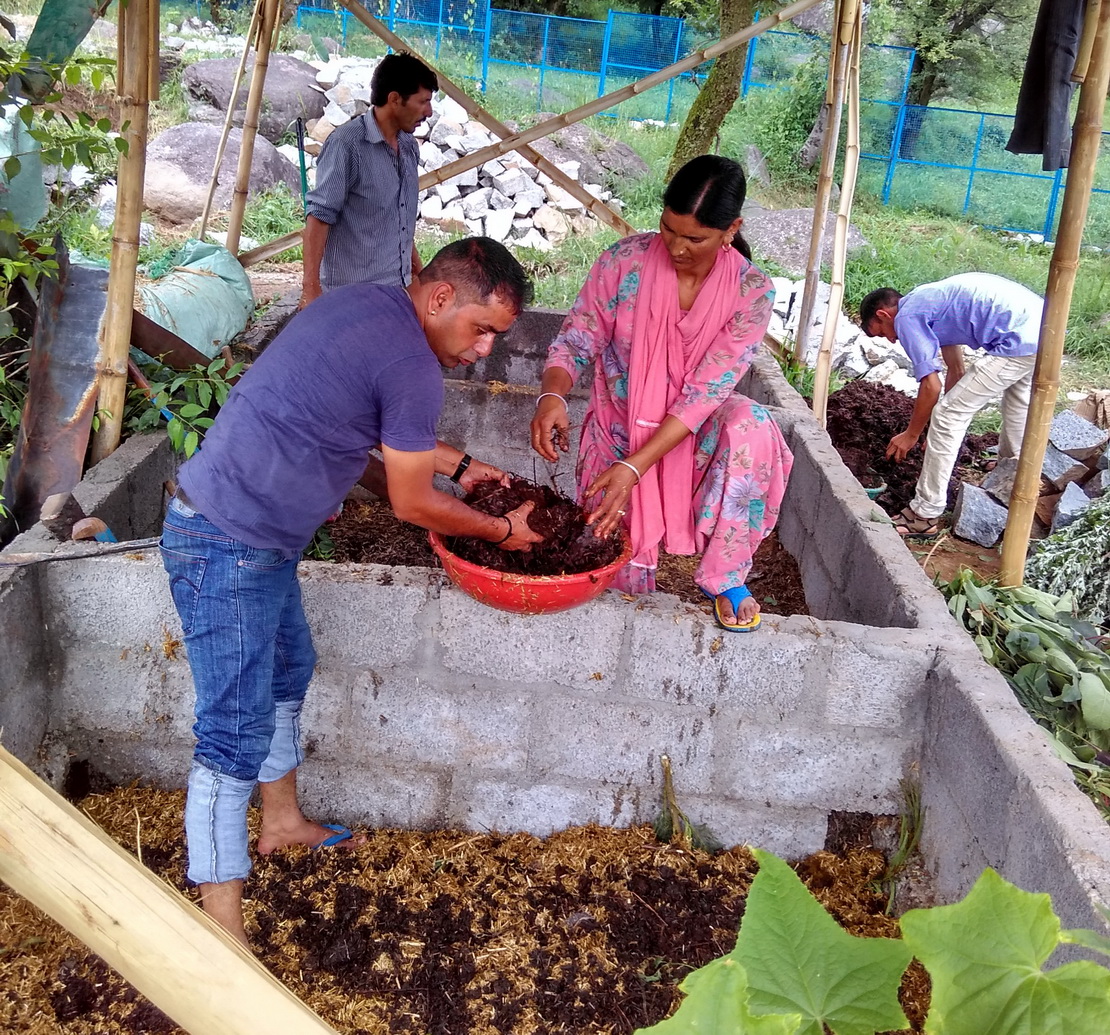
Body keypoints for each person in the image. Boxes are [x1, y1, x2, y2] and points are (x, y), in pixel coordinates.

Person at [162, 237, 541, 947]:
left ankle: (280, 821)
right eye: (482, 328)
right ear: (439, 298)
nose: (485, 348)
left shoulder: (365, 309)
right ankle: (219, 932)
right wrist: (498, 529)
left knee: (288, 669)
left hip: (255, 536)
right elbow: (408, 499)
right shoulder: (411, 366)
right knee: (230, 730)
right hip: (227, 540)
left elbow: (349, 441)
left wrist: (464, 466)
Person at [530, 154, 793, 633]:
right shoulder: (623, 262)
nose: (675, 247)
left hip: (691, 438)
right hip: (618, 432)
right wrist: (553, 396)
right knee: (610, 572)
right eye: (668, 229)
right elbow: (576, 339)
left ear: (731, 229)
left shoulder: (751, 292)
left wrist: (636, 467)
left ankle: (725, 572)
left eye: (695, 238)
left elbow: (705, 393)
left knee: (753, 425)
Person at [859, 273, 1044, 538]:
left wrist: (912, 435)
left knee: (947, 415)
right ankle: (1013, 469)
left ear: (884, 315)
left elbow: (931, 387)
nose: (891, 340)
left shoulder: (907, 317)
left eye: (883, 334)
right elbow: (956, 368)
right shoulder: (929, 301)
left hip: (1018, 335)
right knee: (1016, 400)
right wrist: (931, 431)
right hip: (1044, 326)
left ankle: (924, 513)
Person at [300, 52, 437, 308]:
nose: (429, 112)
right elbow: (319, 217)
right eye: (423, 101)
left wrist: (417, 272)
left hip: (398, 290)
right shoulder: (346, 145)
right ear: (394, 99)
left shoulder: (409, 147)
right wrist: (311, 290)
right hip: (350, 297)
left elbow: (400, 218)